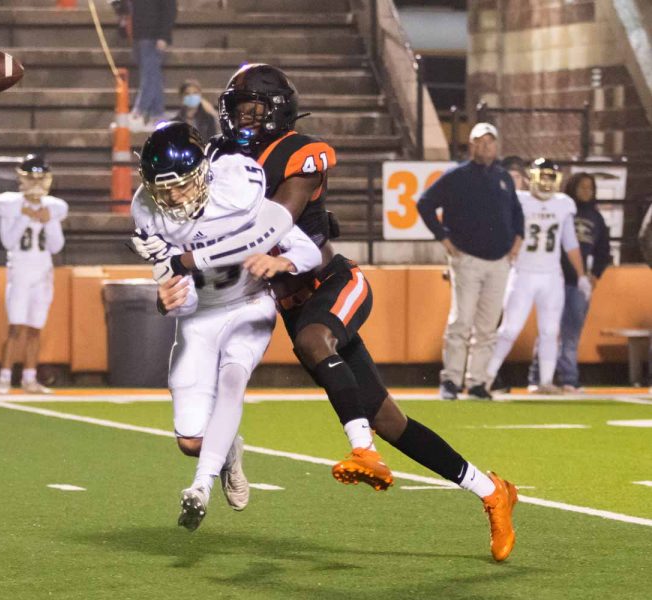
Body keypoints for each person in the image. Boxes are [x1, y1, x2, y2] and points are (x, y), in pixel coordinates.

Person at [132, 65, 519, 562]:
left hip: (330, 280)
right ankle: (491, 491)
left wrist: (184, 258)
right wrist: (163, 260)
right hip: (286, 302)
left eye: (255, 109)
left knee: (315, 343)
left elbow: (276, 223)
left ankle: (362, 451)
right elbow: (183, 215)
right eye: (237, 108)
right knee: (390, 418)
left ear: (279, 112)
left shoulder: (302, 152)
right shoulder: (219, 160)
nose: (243, 119)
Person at [131, 122, 322, 531]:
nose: (172, 197)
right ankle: (228, 450)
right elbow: (179, 290)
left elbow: (304, 248)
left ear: (203, 172)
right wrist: (166, 298)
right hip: (201, 316)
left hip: (250, 303)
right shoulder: (147, 211)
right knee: (190, 441)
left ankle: (200, 488)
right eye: (162, 189)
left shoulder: (237, 185)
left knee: (233, 379)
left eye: (180, 185)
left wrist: (282, 262)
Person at [418, 123, 525, 400]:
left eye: (490, 142)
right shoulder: (457, 176)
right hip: (467, 258)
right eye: (479, 141)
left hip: (498, 260)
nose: (485, 146)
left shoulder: (503, 178)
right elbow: (425, 203)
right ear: (471, 144)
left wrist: (516, 243)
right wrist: (443, 238)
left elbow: (517, 214)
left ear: (497, 146)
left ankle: (477, 381)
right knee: (461, 320)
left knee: (488, 326)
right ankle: (451, 380)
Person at [484, 159, 592, 394]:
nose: (545, 182)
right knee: (509, 329)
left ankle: (544, 382)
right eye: (541, 176)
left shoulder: (563, 204)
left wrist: (581, 275)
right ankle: (485, 377)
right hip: (522, 272)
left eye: (550, 177)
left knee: (550, 331)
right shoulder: (519, 200)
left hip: (552, 275)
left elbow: (570, 242)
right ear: (530, 177)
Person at [526, 172, 610, 392]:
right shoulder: (561, 210)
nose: (586, 192)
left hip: (578, 283)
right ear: (571, 188)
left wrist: (595, 275)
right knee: (548, 330)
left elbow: (604, 251)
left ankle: (569, 379)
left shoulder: (596, 218)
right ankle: (537, 378)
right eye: (581, 187)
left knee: (572, 333)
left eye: (589, 188)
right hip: (555, 277)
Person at [0, 154, 68, 394]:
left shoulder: (54, 208)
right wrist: (25, 215)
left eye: (40, 178)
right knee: (15, 327)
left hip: (43, 273)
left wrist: (49, 222)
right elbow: (8, 241)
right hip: (20, 271)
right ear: (21, 179)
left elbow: (56, 246)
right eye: (31, 178)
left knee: (36, 327)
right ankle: (4, 378)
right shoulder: (10, 204)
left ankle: (29, 378)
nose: (36, 183)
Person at [126, 0, 177, 131]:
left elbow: (170, 9)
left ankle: (139, 111)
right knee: (153, 74)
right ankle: (157, 114)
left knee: (149, 75)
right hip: (139, 34)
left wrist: (164, 36)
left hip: (153, 36)